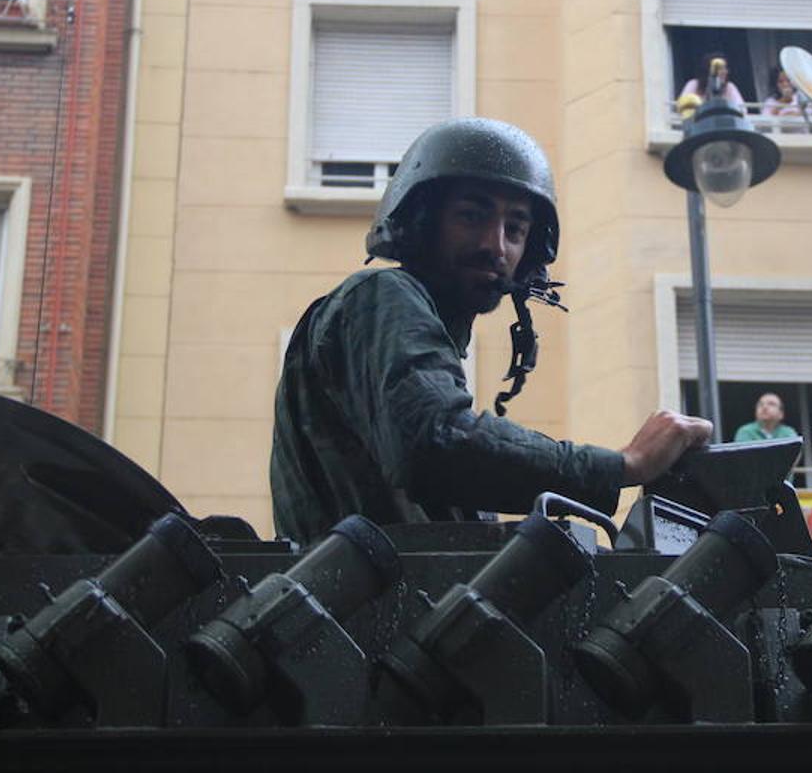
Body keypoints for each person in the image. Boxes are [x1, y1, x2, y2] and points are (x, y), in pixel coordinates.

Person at [270, 117, 713, 544]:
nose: (494, 246)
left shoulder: (419, 338)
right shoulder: (380, 294)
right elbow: (435, 440)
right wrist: (624, 466)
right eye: (471, 216)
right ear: (424, 221)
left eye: (515, 229)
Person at [678, 51, 745, 111]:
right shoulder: (693, 84)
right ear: (708, 70)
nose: (726, 72)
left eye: (725, 68)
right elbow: (682, 106)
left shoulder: (730, 87)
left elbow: (742, 110)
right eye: (721, 69)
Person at [733, 392, 798, 443]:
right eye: (760, 404)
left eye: (771, 404)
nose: (764, 407)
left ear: (781, 414)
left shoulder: (788, 432)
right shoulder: (745, 432)